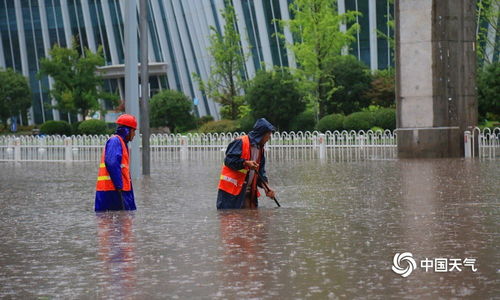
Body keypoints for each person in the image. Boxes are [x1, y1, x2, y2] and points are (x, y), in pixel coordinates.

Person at [217, 118, 276, 209]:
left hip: (248, 191)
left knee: (250, 219)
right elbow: (229, 161)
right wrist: (245, 163)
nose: (269, 137)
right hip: (231, 192)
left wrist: (266, 188)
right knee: (231, 219)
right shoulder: (240, 142)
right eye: (268, 134)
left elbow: (260, 172)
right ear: (261, 134)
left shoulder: (260, 149)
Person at [95, 114, 137, 211]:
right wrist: (119, 185)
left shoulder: (121, 142)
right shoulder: (115, 141)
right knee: (117, 222)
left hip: (118, 190)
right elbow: (111, 162)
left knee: (125, 221)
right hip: (112, 191)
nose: (134, 134)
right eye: (133, 130)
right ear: (127, 130)